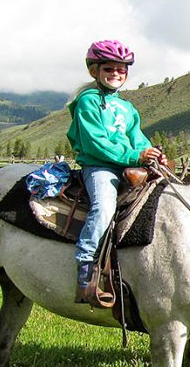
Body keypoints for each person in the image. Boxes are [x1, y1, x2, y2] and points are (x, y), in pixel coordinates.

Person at [67, 39, 167, 304]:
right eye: (109, 69)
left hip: (130, 166)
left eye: (121, 70)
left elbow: (137, 138)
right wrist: (135, 155)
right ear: (94, 71)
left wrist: (151, 154)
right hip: (99, 167)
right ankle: (86, 264)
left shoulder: (127, 107)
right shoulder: (87, 102)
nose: (115, 74)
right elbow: (95, 142)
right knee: (104, 206)